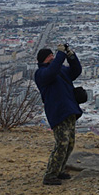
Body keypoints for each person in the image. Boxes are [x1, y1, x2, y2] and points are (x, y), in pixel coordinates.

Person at [35, 42, 83, 186]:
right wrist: (61, 55)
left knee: (69, 143)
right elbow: (51, 72)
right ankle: (50, 175)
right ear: (44, 59)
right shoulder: (41, 74)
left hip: (69, 109)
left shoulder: (60, 69)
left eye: (53, 55)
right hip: (58, 111)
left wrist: (71, 56)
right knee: (61, 143)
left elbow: (76, 71)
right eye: (50, 56)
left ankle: (59, 170)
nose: (52, 57)